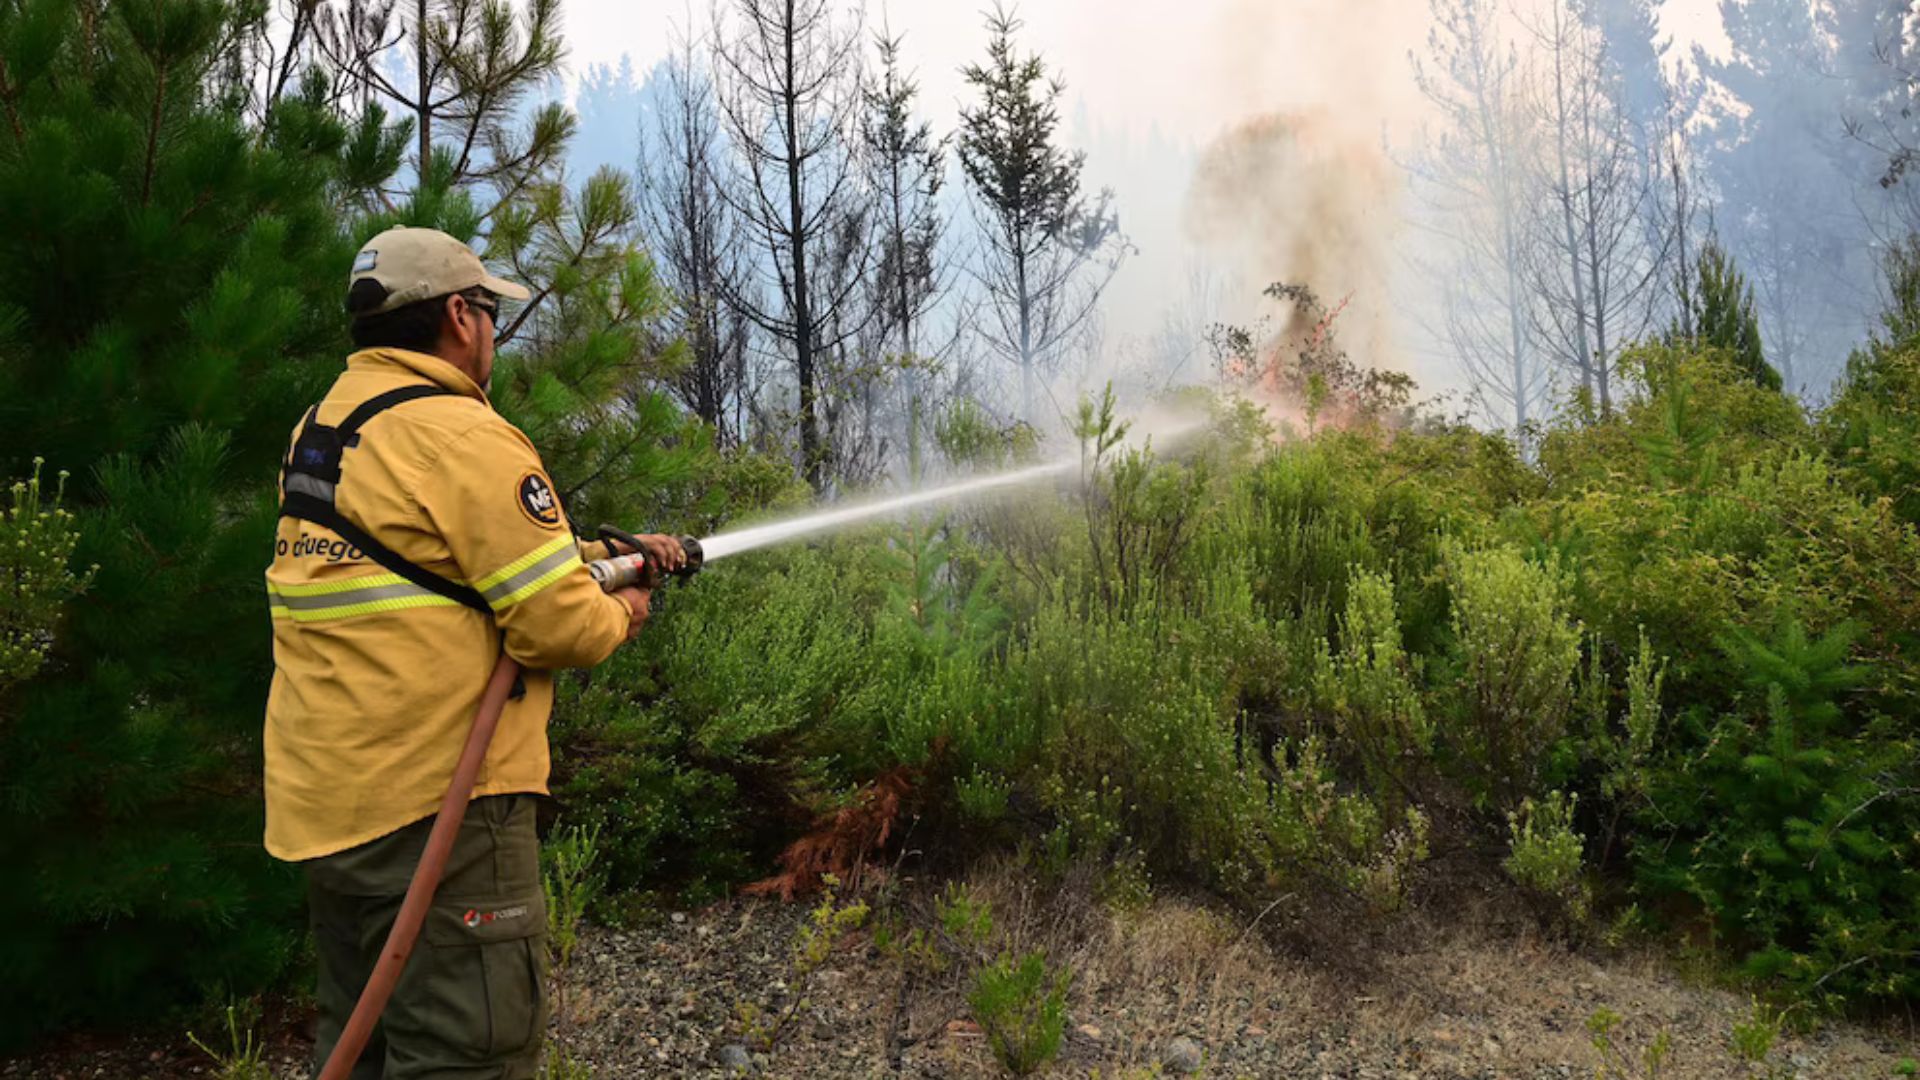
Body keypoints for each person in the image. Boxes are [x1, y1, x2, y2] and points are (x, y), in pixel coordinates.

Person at [263, 226, 685, 1079]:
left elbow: (436, 570)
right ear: (460, 315)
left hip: (330, 804)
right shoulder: (464, 436)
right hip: (439, 812)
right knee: (467, 1051)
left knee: (367, 1042)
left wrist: (586, 562)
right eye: (489, 312)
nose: (492, 332)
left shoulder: (326, 427)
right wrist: (626, 608)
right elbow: (557, 627)